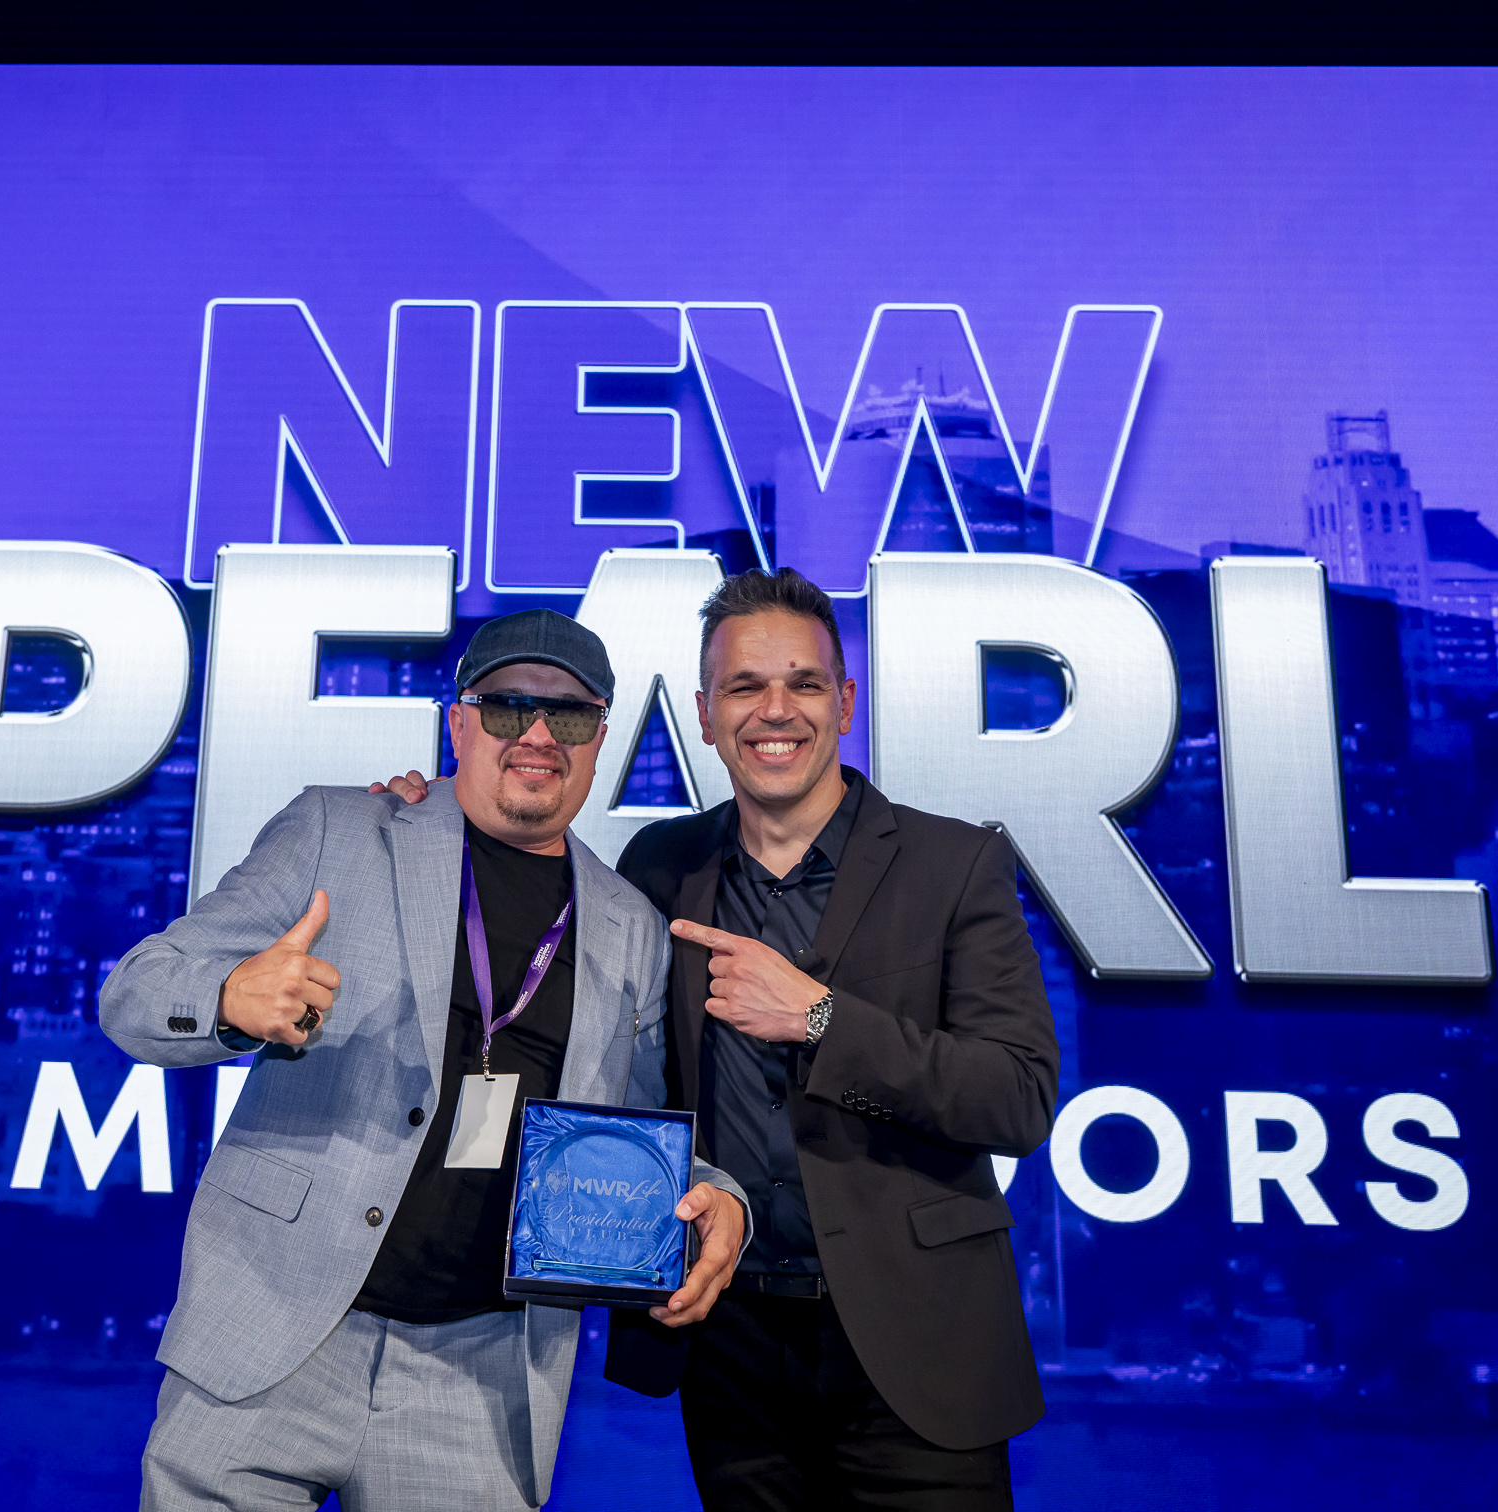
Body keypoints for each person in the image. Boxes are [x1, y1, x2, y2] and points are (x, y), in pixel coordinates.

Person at [380, 568, 1058, 1510]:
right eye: (744, 686)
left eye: (803, 684)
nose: (774, 710)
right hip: (726, 1346)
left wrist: (819, 1018)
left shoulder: (953, 862)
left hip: (917, 1341)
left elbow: (1017, 1097)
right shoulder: (658, 867)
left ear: (845, 702)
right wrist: (423, 819)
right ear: (704, 714)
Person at [100, 608, 748, 1512]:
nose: (536, 735)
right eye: (507, 706)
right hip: (277, 1322)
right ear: (458, 724)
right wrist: (229, 1000)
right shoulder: (337, 828)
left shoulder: (631, 926)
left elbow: (636, 1136)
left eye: (567, 715)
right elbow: (134, 993)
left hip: (479, 1376)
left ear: (599, 739)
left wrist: (719, 1198)